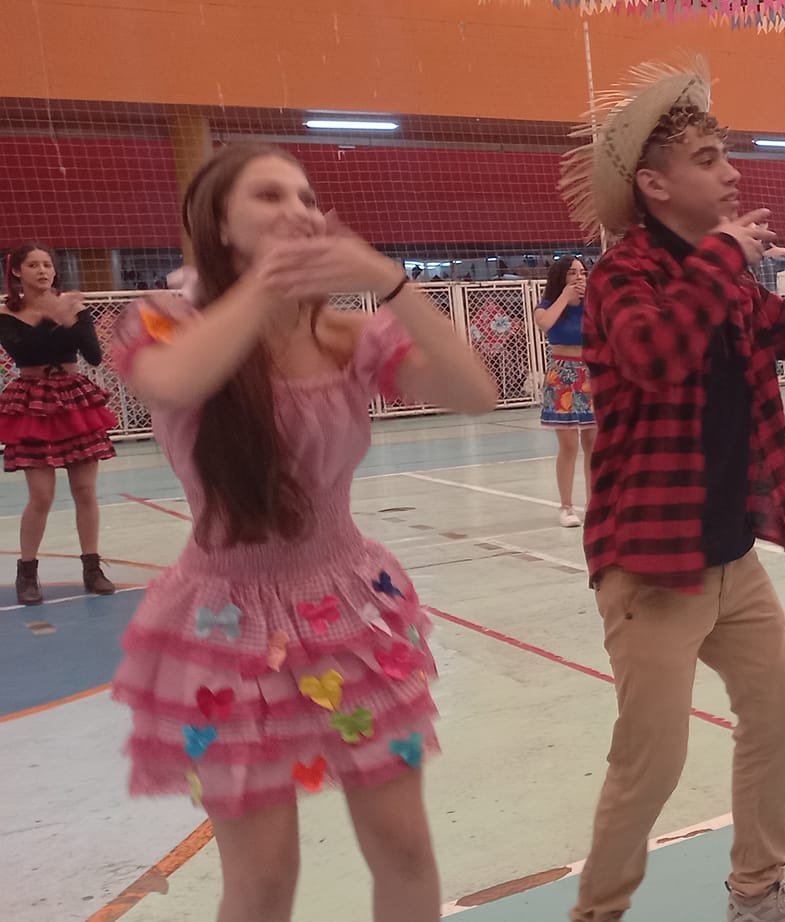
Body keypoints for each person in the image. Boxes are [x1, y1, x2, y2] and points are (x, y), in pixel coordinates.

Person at [107, 143, 498, 922]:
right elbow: (179, 380)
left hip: (352, 612)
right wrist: (266, 284)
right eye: (270, 196)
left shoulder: (347, 336)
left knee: (405, 847)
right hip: (222, 627)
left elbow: (475, 393)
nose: (298, 210)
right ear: (221, 224)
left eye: (307, 197)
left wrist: (386, 279)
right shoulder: (164, 323)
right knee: (263, 878)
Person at [560, 61, 785, 922]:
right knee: (650, 763)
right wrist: (724, 256)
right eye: (707, 158)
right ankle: (597, 913)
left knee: (777, 721)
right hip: (652, 566)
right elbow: (656, 355)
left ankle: (757, 895)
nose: (731, 173)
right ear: (654, 186)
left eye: (726, 155)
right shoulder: (623, 277)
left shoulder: (723, 282)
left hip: (730, 559)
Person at [1, 243, 119, 604]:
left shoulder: (74, 308)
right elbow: (23, 351)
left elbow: (94, 356)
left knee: (85, 490)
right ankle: (27, 571)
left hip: (73, 399)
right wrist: (48, 316)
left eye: (47, 264)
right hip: (32, 401)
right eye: (33, 265)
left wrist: (68, 318)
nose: (42, 271)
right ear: (17, 271)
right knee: (41, 494)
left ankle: (92, 567)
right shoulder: (7, 313)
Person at [535, 255, 595, 527]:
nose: (579, 278)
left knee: (593, 441)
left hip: (590, 373)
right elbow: (544, 323)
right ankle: (566, 506)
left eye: (582, 273)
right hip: (562, 374)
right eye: (572, 273)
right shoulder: (548, 305)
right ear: (561, 277)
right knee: (569, 444)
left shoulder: (593, 305)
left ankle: (594, 503)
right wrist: (565, 298)